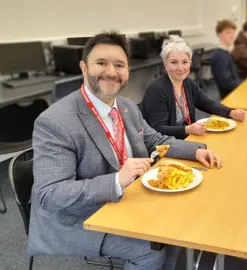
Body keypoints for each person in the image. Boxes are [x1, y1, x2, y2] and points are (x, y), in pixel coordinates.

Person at [28, 32, 222, 270]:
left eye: (119, 65)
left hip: (129, 198)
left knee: (177, 227)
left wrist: (196, 151)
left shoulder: (127, 106)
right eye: (101, 63)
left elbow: (156, 140)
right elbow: (50, 194)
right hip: (78, 217)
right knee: (151, 249)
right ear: (83, 68)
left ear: (127, 71)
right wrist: (117, 181)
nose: (111, 72)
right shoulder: (55, 121)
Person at [142, 35, 245, 139]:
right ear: (166, 65)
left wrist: (231, 112)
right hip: (165, 145)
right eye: (174, 62)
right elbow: (158, 128)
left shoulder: (188, 83)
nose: (180, 68)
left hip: (187, 138)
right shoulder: (156, 89)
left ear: (190, 63)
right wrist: (187, 129)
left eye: (184, 62)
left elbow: (207, 103)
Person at [211, 19, 242, 99]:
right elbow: (227, 84)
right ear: (220, 34)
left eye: (233, 33)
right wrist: (244, 84)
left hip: (236, 93)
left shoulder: (226, 53)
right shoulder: (219, 56)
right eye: (228, 32)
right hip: (229, 98)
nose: (232, 35)